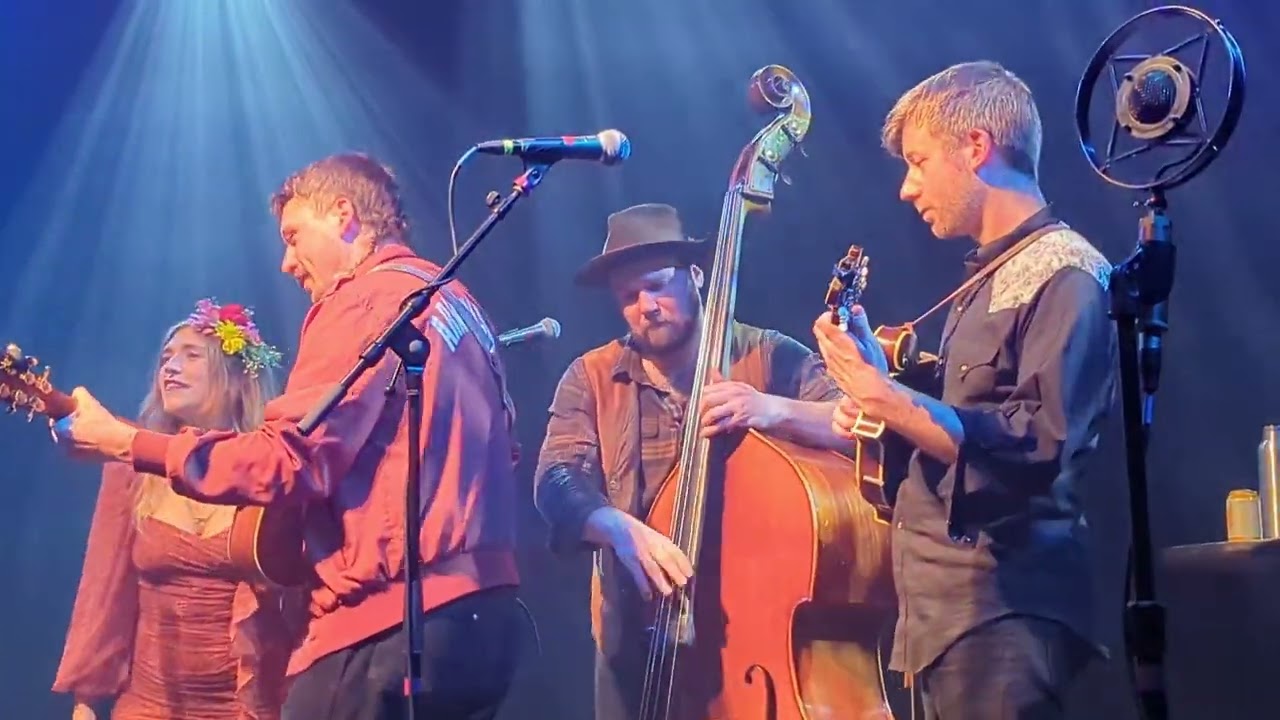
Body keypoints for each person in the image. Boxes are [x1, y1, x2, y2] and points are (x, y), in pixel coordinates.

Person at [51, 153, 525, 720]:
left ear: (344, 215)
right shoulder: (460, 306)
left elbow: (290, 458)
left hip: (393, 627)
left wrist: (128, 444)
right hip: (484, 621)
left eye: (295, 236)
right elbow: (507, 452)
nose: (286, 262)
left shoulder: (365, 299)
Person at [811, 61, 1118, 720]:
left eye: (919, 162)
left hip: (1002, 609)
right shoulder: (986, 279)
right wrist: (880, 375)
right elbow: (960, 420)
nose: (906, 187)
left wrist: (883, 396)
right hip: (943, 618)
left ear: (976, 147)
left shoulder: (1066, 274)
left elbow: (1039, 445)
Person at [534, 203, 864, 720]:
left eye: (658, 285)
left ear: (695, 276)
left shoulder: (766, 355)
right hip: (637, 642)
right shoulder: (591, 376)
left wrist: (773, 409)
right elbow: (557, 480)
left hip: (760, 632)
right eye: (629, 296)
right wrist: (619, 529)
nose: (646, 305)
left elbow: (861, 425)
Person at [52, 299, 294, 720]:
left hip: (249, 708)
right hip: (148, 707)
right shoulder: (133, 467)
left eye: (191, 355)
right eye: (165, 358)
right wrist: (85, 706)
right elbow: (103, 592)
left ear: (236, 379)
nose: (170, 367)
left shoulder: (267, 469)